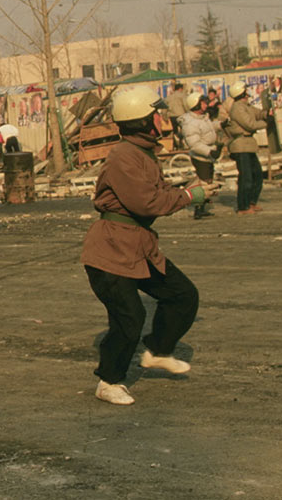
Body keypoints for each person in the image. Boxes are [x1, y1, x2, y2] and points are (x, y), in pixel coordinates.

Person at [81, 87, 215, 406]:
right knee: (129, 317)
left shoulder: (142, 153)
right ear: (143, 122)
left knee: (182, 295)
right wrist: (189, 197)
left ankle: (156, 350)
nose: (162, 119)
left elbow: (159, 191)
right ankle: (109, 382)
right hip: (111, 251)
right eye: (156, 114)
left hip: (138, 247)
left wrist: (186, 190)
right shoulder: (123, 157)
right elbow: (146, 203)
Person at [226, 82, 269, 215]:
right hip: (241, 145)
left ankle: (251, 202)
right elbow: (250, 124)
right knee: (246, 178)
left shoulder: (246, 106)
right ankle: (243, 207)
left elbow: (258, 114)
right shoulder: (238, 108)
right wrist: (266, 123)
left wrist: (267, 114)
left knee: (257, 176)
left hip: (249, 145)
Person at [179, 92, 221, 219]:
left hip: (207, 154)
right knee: (203, 182)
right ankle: (198, 209)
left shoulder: (201, 118)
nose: (205, 104)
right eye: (202, 102)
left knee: (208, 181)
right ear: (196, 105)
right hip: (200, 156)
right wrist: (209, 151)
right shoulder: (190, 123)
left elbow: (207, 128)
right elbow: (194, 144)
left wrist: (220, 125)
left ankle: (202, 206)